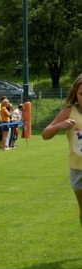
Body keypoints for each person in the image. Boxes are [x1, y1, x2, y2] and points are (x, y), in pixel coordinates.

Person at [42, 74, 82, 228]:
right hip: (78, 169)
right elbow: (46, 134)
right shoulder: (69, 111)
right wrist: (60, 125)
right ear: (75, 93)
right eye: (81, 94)